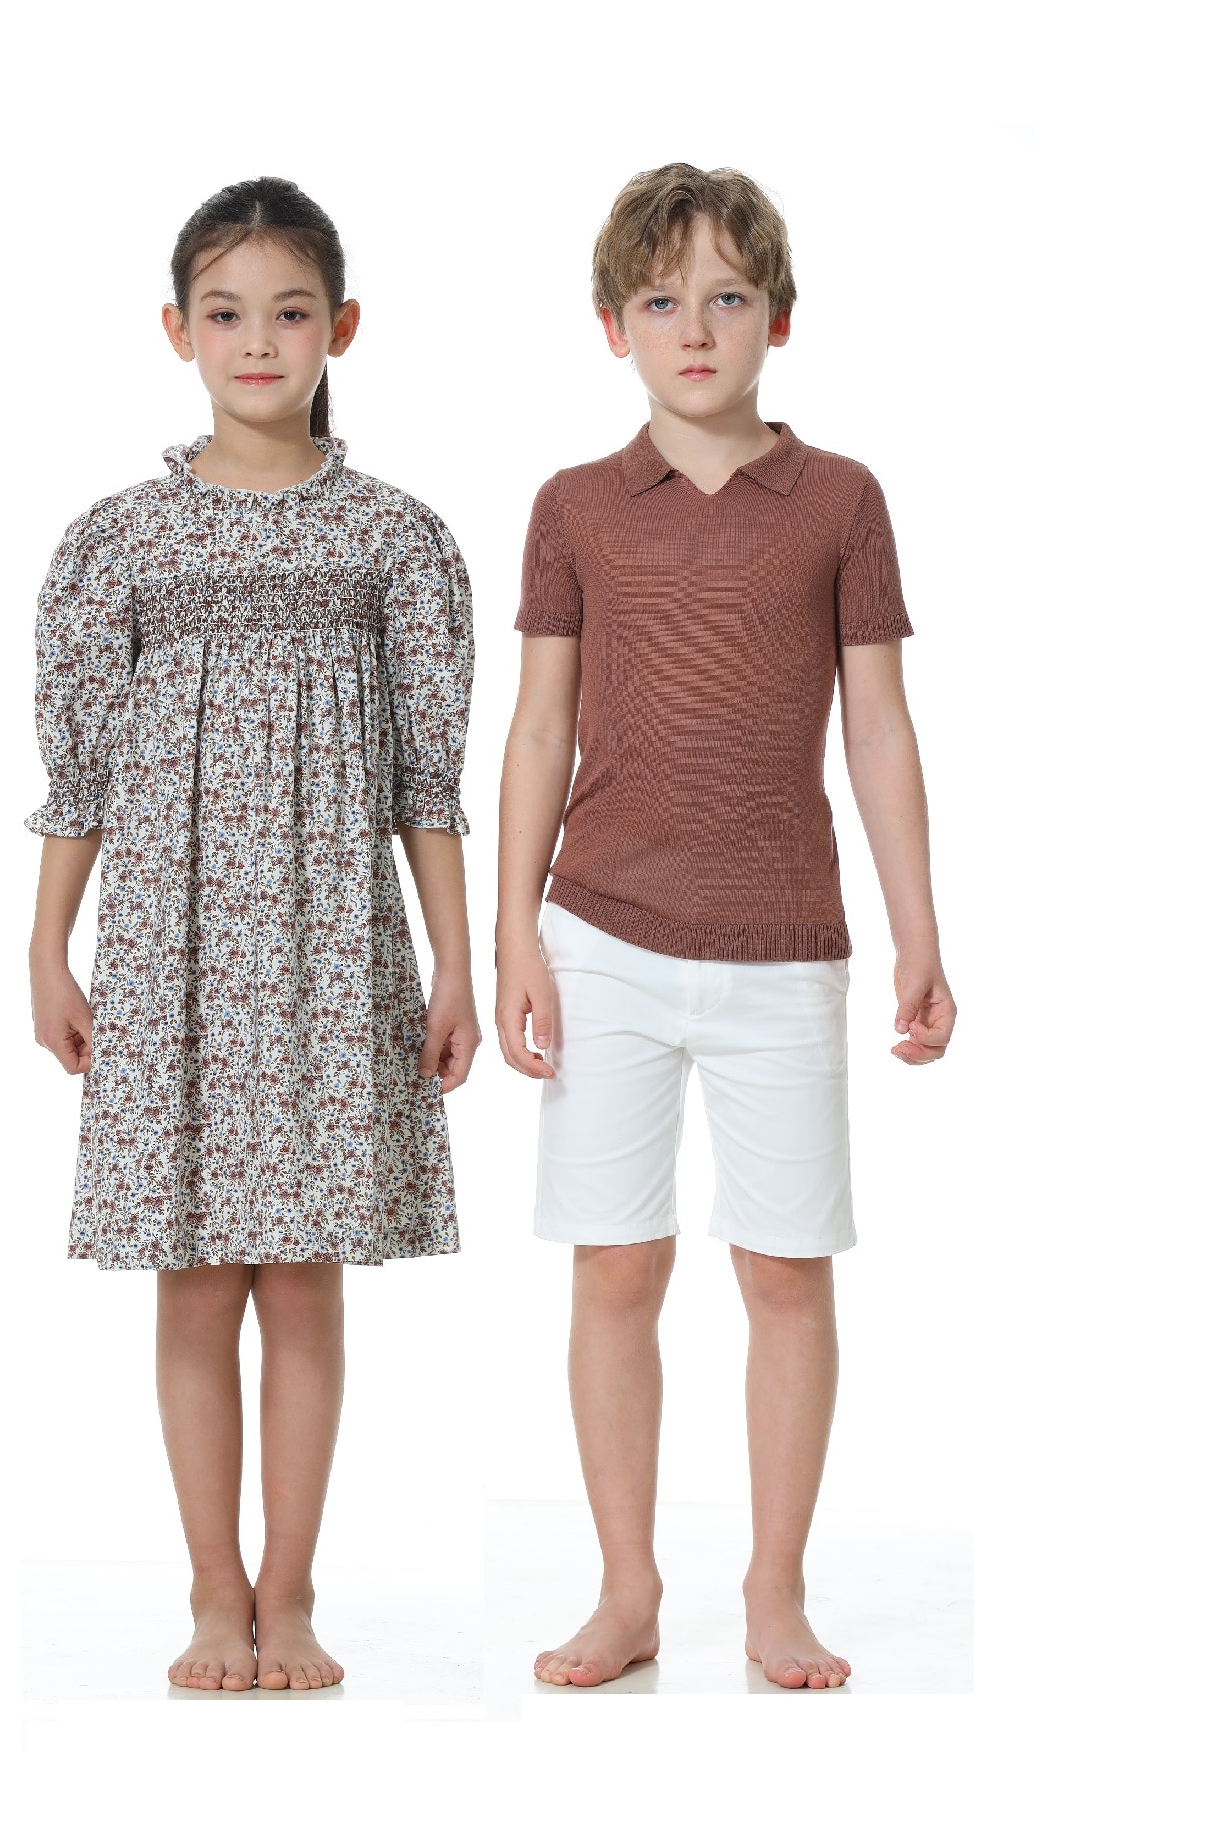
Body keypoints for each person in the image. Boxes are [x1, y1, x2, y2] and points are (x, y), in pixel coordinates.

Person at [495, 163, 955, 1691]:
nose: (695, 327)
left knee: (786, 1271)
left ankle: (774, 1591)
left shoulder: (842, 502)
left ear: (780, 317)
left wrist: (918, 933)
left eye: (727, 296)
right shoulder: (574, 508)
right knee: (615, 1268)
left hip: (784, 949)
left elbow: (878, 729)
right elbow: (540, 727)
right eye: (661, 299)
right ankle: (628, 1590)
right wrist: (511, 936)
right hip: (605, 940)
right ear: (613, 325)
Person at [26, 177, 479, 1693]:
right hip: (172, 956)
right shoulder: (121, 543)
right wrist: (48, 947)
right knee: (197, 1273)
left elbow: (426, 781)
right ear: (178, 331)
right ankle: (212, 1593)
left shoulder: (395, 539)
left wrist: (455, 963)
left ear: (342, 326)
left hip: (332, 954)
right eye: (225, 314)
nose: (259, 341)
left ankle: (292, 1590)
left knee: (300, 1277)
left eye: (290, 312)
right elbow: (82, 770)